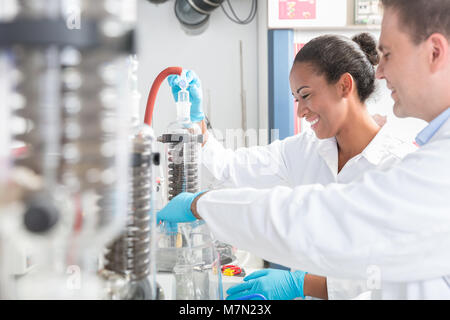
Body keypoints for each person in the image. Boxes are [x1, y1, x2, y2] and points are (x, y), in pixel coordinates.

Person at [159, 0, 450, 299]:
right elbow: (232, 168)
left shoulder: (405, 164)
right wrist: (199, 127)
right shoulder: (308, 148)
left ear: (344, 86)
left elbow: (329, 230)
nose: (381, 71)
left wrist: (201, 205)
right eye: (296, 99)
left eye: (306, 95)